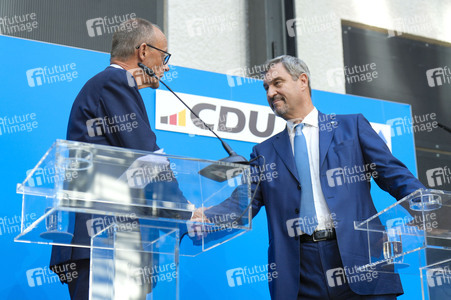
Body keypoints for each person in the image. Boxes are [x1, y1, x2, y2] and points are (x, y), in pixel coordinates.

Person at [196, 55, 426, 299]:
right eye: (266, 87)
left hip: (360, 259)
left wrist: (429, 212)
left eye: (277, 83)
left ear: (302, 81)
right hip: (300, 272)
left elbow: (395, 175)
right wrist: (200, 216)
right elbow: (242, 205)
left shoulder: (352, 127)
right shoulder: (263, 153)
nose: (270, 92)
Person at [50, 18, 191, 300]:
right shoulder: (115, 81)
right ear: (143, 52)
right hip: (104, 244)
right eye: (164, 56)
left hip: (113, 244)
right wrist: (186, 211)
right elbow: (146, 158)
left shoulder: (107, 85)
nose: (166, 66)